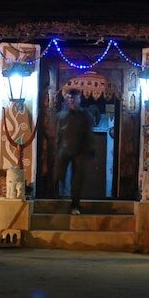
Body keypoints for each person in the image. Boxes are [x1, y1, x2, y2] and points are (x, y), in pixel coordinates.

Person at [54, 87, 94, 215]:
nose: (72, 100)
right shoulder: (61, 116)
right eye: (70, 98)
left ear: (79, 99)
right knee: (58, 175)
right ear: (66, 100)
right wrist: (56, 150)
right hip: (64, 149)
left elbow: (89, 134)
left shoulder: (86, 115)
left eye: (75, 98)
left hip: (80, 151)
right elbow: (57, 135)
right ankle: (56, 202)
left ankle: (75, 205)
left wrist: (90, 150)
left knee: (77, 180)